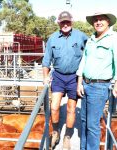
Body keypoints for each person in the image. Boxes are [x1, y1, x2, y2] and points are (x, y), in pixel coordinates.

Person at [42, 11, 88, 149]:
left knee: (71, 109)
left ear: (71, 22)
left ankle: (67, 137)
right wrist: (45, 77)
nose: (65, 24)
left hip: (75, 77)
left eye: (67, 22)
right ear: (59, 23)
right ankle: (56, 132)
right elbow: (46, 61)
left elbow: (91, 50)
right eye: (63, 22)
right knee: (54, 106)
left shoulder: (80, 36)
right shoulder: (53, 38)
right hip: (58, 76)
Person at [76, 12, 117, 150]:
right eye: (96, 20)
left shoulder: (114, 38)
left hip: (99, 86)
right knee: (84, 121)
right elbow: (84, 60)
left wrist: (116, 83)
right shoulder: (91, 39)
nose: (98, 22)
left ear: (108, 22)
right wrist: (79, 82)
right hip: (85, 84)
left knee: (92, 125)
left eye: (101, 20)